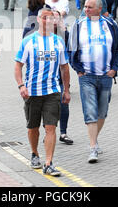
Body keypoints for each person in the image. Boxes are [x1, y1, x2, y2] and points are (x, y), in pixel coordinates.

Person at [14, 7, 71, 176]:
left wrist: (66, 90)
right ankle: (34, 153)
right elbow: (18, 65)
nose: (48, 21)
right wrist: (21, 85)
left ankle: (48, 163)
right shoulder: (28, 41)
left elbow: (64, 67)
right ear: (38, 20)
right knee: (33, 128)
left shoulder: (58, 41)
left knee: (51, 128)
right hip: (32, 92)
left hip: (52, 92)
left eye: (51, 18)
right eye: (45, 18)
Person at [69, 0, 118, 163]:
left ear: (100, 8)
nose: (86, 9)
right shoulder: (79, 25)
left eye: (90, 7)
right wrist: (78, 69)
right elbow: (71, 50)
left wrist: (114, 69)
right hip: (87, 76)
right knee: (90, 111)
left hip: (106, 76)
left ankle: (94, 139)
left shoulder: (110, 24)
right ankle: (92, 148)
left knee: (102, 113)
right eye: (85, 6)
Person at [52, 10, 73, 145]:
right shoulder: (39, 35)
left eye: (57, 19)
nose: (53, 21)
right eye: (51, 18)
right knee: (48, 107)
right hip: (45, 78)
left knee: (63, 104)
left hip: (59, 77)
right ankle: (50, 132)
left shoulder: (64, 35)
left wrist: (67, 87)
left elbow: (70, 54)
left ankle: (63, 132)